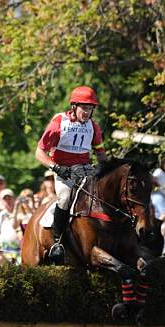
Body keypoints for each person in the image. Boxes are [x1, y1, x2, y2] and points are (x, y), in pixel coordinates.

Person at [34, 85, 107, 260]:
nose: (87, 113)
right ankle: (58, 243)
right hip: (62, 171)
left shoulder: (93, 127)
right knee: (65, 198)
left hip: (84, 171)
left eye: (90, 108)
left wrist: (105, 169)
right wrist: (56, 168)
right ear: (74, 107)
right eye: (84, 108)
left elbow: (100, 153)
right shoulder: (59, 123)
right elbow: (39, 152)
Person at [0, 189, 21, 254]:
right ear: (2, 201)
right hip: (4, 250)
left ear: (14, 199)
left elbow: (15, 226)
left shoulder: (20, 212)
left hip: (18, 249)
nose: (7, 201)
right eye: (5, 199)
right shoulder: (1, 214)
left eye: (9, 198)